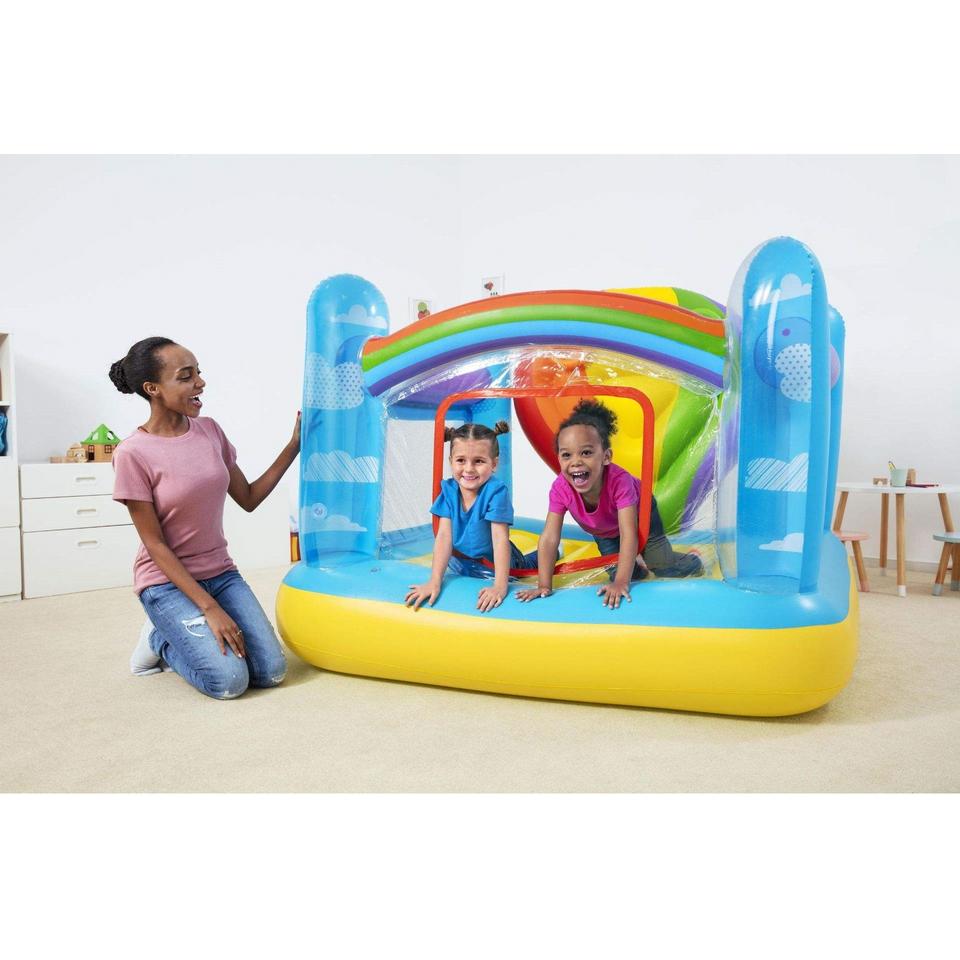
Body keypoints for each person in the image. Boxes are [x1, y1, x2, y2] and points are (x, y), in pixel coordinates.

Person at [108, 336, 300, 700]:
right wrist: (209, 608)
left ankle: (175, 629)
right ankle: (159, 639)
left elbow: (248, 498)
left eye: (198, 372)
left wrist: (294, 446)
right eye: (186, 376)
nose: (200, 383)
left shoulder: (209, 431)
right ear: (153, 389)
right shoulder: (133, 453)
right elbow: (154, 544)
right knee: (228, 682)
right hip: (165, 582)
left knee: (271, 672)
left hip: (221, 574)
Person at [516, 399, 701, 609]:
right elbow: (550, 537)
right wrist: (543, 585)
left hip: (641, 516)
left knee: (661, 565)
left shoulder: (620, 481)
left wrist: (621, 583)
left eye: (586, 452)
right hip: (604, 530)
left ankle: (691, 560)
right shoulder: (560, 489)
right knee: (626, 573)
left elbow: (629, 533)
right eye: (566, 455)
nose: (575, 461)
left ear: (606, 457)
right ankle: (637, 565)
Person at [404, 421, 537, 613]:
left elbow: (500, 539)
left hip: (498, 562)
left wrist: (500, 586)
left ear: (494, 464)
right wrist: (434, 581)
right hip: (466, 561)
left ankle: (554, 550)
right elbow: (444, 536)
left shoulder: (495, 492)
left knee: (529, 565)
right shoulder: (449, 491)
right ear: (451, 461)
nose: (469, 469)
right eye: (461, 460)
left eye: (478, 461)